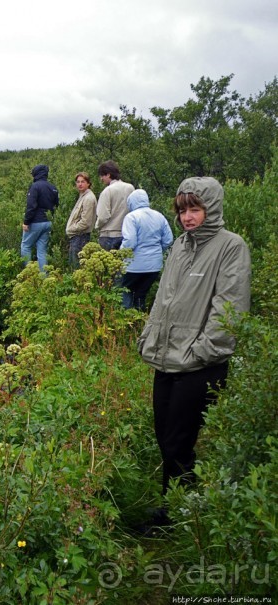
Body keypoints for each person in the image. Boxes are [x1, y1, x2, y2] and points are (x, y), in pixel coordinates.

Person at [137, 176, 250, 528]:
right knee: (164, 437)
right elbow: (163, 300)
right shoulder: (180, 246)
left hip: (202, 365)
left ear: (211, 208)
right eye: (183, 209)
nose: (187, 216)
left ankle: (177, 518)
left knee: (178, 442)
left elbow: (229, 310)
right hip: (167, 359)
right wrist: (147, 336)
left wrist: (199, 352)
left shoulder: (231, 247)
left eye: (195, 209)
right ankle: (176, 506)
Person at [119, 189, 173, 310]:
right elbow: (168, 239)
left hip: (133, 266)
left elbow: (130, 241)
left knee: (125, 290)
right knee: (141, 294)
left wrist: (120, 254)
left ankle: (126, 320)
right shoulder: (159, 216)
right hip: (154, 266)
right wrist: (158, 251)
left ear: (131, 202)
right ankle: (140, 319)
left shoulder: (131, 217)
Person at [21, 164, 59, 271]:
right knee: (42, 251)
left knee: (26, 246)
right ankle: (43, 277)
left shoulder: (35, 187)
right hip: (48, 222)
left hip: (36, 221)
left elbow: (31, 206)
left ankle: (29, 274)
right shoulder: (53, 188)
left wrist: (26, 222)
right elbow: (57, 206)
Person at [95, 160, 134, 250]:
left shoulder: (107, 191)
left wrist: (97, 226)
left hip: (109, 235)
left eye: (102, 175)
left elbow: (103, 216)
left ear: (108, 174)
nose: (101, 179)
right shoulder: (130, 188)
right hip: (126, 233)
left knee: (108, 263)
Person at [65, 172, 97, 267]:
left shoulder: (88, 198)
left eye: (83, 181)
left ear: (88, 183)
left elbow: (85, 222)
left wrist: (71, 229)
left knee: (77, 266)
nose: (80, 184)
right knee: (73, 266)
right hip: (76, 237)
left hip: (80, 237)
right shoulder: (83, 196)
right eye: (78, 182)